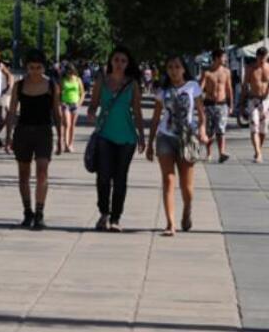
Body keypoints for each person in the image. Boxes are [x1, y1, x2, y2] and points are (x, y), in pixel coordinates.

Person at [147, 56, 208, 237]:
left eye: (177, 67)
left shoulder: (192, 87)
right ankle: (170, 223)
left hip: (187, 138)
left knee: (186, 186)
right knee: (168, 180)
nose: (174, 70)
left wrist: (202, 130)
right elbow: (156, 118)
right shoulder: (162, 91)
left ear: (183, 69)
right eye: (170, 67)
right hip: (165, 137)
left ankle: (187, 208)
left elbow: (201, 114)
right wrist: (150, 143)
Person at [87, 46, 146, 232]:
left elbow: (137, 111)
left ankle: (115, 218)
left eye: (123, 61)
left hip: (127, 137)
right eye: (116, 60)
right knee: (103, 176)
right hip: (105, 134)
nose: (119, 64)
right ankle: (103, 212)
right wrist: (90, 113)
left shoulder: (132, 84)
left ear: (128, 64)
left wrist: (142, 136)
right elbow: (93, 104)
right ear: (111, 61)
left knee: (120, 178)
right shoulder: (102, 81)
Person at [5, 49, 62, 230]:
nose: (35, 71)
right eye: (31, 67)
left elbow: (57, 113)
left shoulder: (52, 86)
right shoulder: (19, 86)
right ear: (26, 67)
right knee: (23, 173)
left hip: (44, 132)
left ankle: (39, 212)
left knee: (42, 172)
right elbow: (12, 111)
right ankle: (27, 211)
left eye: (38, 67)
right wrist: (8, 135)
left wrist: (61, 137)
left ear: (44, 67)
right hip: (23, 132)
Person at [241, 46, 269, 163]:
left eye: (264, 58)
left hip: (266, 101)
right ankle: (259, 153)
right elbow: (244, 86)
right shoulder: (250, 69)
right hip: (253, 100)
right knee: (254, 126)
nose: (262, 60)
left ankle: (258, 150)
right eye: (260, 58)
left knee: (263, 130)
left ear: (267, 57)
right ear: (257, 57)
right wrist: (241, 103)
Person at [200, 49, 234, 163]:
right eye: (223, 57)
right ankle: (209, 153)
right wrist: (198, 103)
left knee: (221, 129)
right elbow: (200, 88)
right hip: (209, 104)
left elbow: (229, 89)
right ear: (216, 58)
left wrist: (231, 104)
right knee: (209, 131)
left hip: (222, 104)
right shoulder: (207, 72)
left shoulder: (226, 72)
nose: (225, 59)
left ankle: (221, 153)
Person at [60, 62, 85, 153]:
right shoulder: (63, 80)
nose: (69, 74)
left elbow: (82, 93)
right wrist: (60, 102)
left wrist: (79, 103)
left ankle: (70, 144)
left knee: (72, 126)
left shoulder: (78, 80)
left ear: (74, 71)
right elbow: (59, 92)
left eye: (71, 72)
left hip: (75, 104)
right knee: (67, 124)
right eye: (67, 72)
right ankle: (66, 144)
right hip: (65, 103)